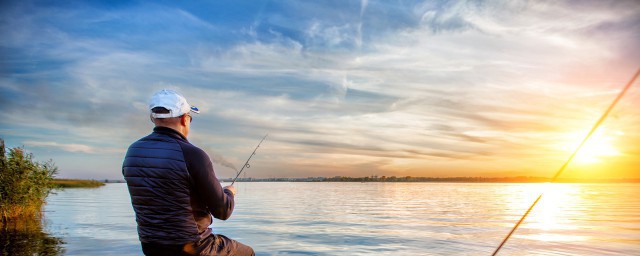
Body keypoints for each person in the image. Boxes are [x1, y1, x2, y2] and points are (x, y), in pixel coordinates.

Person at [122, 89, 254, 256]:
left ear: (153, 118)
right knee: (248, 252)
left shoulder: (132, 151)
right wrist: (229, 192)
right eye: (190, 118)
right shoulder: (193, 154)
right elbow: (223, 211)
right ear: (185, 119)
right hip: (191, 247)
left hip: (150, 246)